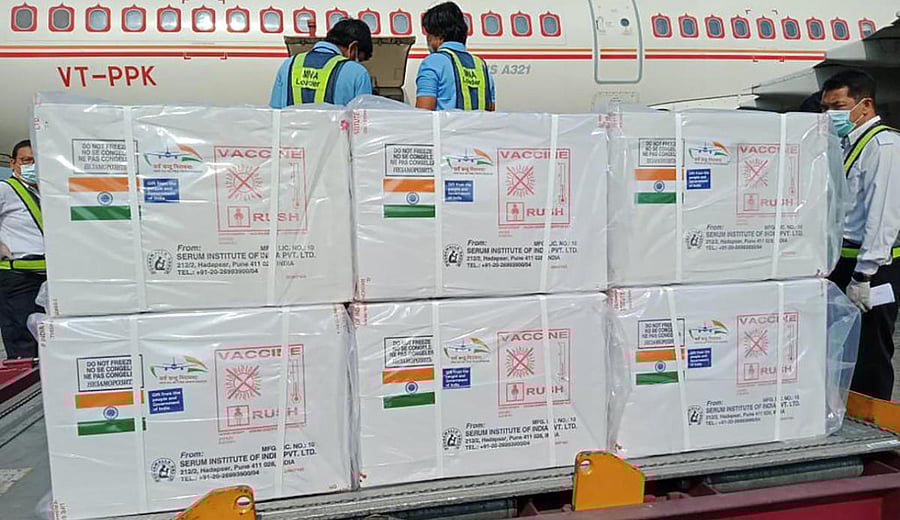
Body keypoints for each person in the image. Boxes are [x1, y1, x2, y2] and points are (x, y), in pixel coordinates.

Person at [822, 70, 900, 400]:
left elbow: (883, 217)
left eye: (837, 106)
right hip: (843, 264)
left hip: (873, 270)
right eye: (825, 108)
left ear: (864, 105)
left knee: (870, 353)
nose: (830, 115)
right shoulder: (845, 143)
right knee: (840, 351)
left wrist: (864, 274)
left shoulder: (884, 147)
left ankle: (875, 433)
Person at [0, 140, 46, 359]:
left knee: (46, 340)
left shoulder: (45, 193)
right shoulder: (5, 189)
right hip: (18, 278)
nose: (32, 165)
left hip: (45, 277)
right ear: (13, 163)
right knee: (24, 344)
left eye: (36, 161)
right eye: (26, 161)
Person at [269, 18, 373, 108]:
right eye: (360, 59)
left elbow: (274, 113)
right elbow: (363, 123)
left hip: (290, 131)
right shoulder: (357, 73)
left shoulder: (288, 65)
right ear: (353, 48)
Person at [416, 2, 496, 111]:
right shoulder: (481, 66)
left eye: (428, 34)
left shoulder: (433, 62)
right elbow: (491, 110)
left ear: (439, 35)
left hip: (444, 128)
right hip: (478, 127)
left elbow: (423, 114)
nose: (427, 39)